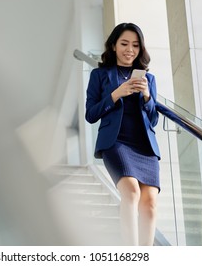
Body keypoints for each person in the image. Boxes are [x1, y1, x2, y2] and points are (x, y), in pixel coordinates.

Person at [85, 22, 160, 246]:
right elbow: (91, 114)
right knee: (131, 191)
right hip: (116, 142)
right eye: (124, 43)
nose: (130, 50)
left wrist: (147, 96)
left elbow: (154, 119)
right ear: (114, 46)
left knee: (150, 204)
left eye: (135, 45)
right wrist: (115, 95)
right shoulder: (100, 75)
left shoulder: (150, 79)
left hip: (145, 147)